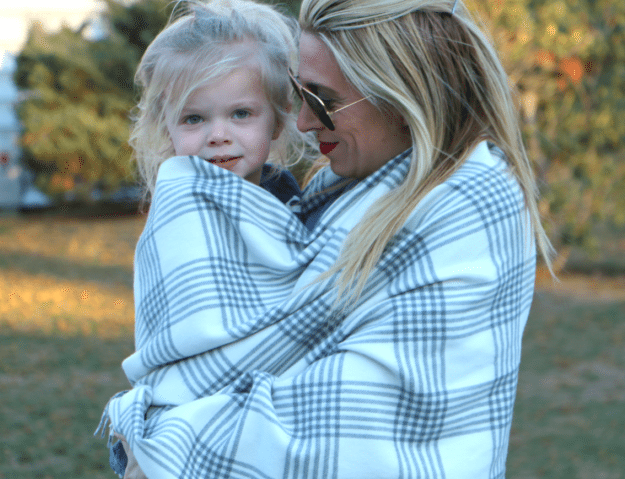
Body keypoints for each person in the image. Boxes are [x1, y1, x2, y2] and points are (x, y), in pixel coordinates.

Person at [100, 0, 554, 477]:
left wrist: (166, 443)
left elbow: (355, 419)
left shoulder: (467, 201)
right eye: (301, 96)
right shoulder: (336, 189)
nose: (302, 123)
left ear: (397, 92)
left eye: (323, 100)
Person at [96, 0, 311, 476]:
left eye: (240, 113)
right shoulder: (183, 206)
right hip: (187, 418)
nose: (218, 135)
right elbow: (184, 322)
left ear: (277, 119)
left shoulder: (292, 202)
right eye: (194, 119)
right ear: (167, 128)